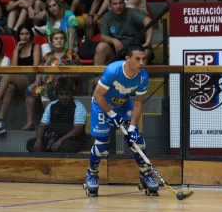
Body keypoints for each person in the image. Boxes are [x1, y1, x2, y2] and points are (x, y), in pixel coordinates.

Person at [84, 44, 159, 196]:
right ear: (127, 59)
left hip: (123, 105)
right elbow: (98, 95)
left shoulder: (143, 76)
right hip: (101, 105)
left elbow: (138, 102)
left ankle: (145, 174)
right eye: (137, 59)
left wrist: (131, 128)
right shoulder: (113, 71)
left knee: (136, 141)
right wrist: (111, 115)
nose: (141, 63)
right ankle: (91, 174)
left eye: (143, 59)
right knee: (102, 146)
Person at [0, 24, 42, 133]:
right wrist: (16, 51)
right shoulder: (18, 49)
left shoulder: (35, 47)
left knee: (7, 75)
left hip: (31, 79)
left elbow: (34, 68)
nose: (24, 36)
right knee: (10, 87)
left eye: (27, 34)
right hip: (18, 80)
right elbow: (14, 68)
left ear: (30, 35)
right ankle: (0, 120)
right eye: (22, 34)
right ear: (18, 36)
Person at [25, 29, 81, 128]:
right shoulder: (47, 56)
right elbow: (40, 70)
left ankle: (50, 122)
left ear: (65, 41)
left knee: (46, 90)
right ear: (51, 42)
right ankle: (30, 122)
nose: (59, 41)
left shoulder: (71, 55)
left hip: (65, 85)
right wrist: (37, 78)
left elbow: (79, 74)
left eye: (61, 38)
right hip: (46, 84)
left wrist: (66, 75)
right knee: (30, 89)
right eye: (56, 39)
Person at [26, 77, 87, 153]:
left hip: (71, 140)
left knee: (64, 148)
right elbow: (42, 125)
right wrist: (39, 140)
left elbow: (77, 129)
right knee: (31, 144)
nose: (64, 97)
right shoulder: (51, 106)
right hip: (53, 138)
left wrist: (61, 140)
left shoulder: (78, 106)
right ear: (57, 94)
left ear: (71, 94)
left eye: (67, 94)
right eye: (61, 94)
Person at [94, 0, 153, 66]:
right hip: (116, 50)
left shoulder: (132, 12)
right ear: (110, 6)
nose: (118, 6)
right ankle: (97, 76)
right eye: (115, 4)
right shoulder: (107, 16)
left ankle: (138, 77)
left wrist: (148, 41)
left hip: (134, 46)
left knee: (146, 52)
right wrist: (113, 40)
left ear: (124, 4)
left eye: (120, 3)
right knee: (101, 47)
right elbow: (103, 37)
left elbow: (148, 21)